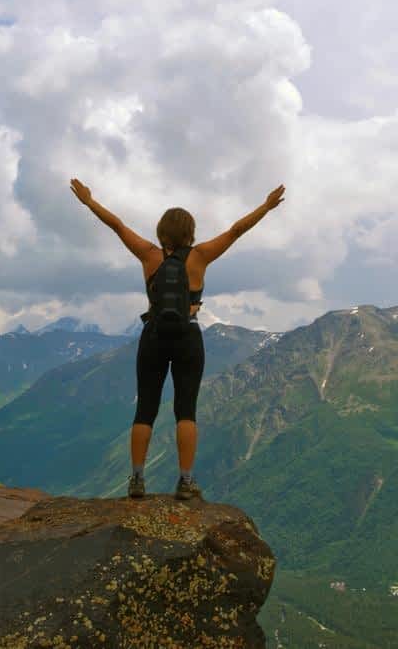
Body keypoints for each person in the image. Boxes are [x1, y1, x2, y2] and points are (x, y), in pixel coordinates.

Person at [70, 178, 286, 499]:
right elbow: (236, 230)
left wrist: (89, 201)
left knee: (145, 409)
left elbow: (117, 225)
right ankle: (185, 482)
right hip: (188, 336)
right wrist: (266, 207)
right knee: (186, 410)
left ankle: (137, 480)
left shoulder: (148, 255)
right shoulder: (200, 257)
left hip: (154, 336)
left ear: (161, 232)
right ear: (190, 232)